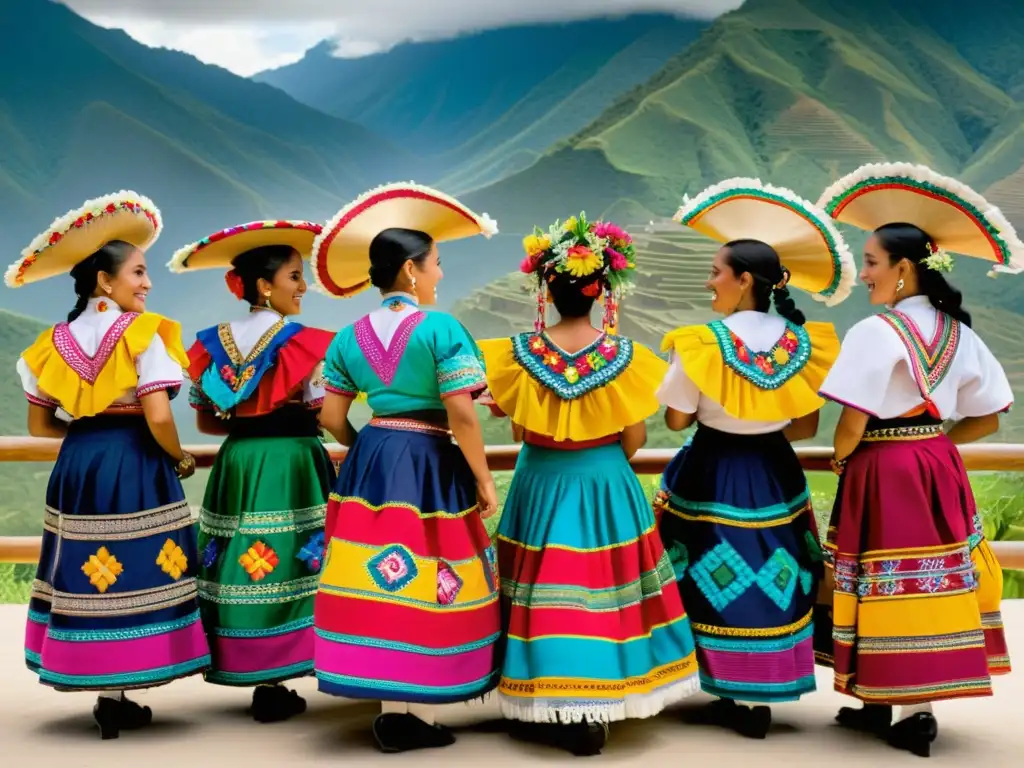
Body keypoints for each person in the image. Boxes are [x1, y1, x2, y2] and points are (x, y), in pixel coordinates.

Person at [815, 162, 1019, 758]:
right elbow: (989, 415)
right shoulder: (960, 333)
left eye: (872, 263)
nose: (866, 276)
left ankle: (911, 708)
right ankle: (889, 701)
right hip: (934, 463)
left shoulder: (875, 332)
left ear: (904, 268)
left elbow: (852, 419)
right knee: (931, 576)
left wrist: (843, 457)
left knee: (887, 579)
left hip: (883, 467)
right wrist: (937, 446)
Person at [478, 214, 700, 757]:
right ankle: (604, 698)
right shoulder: (627, 359)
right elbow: (634, 436)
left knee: (543, 583)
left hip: (541, 480)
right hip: (606, 482)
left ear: (546, 291)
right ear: (602, 293)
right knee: (606, 588)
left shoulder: (516, 358)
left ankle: (545, 693)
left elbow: (521, 428)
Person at [654, 179, 855, 739]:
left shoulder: (701, 343)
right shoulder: (804, 345)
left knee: (704, 569)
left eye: (716, 271)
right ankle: (760, 685)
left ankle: (718, 680)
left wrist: (714, 406)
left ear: (744, 280)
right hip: (774, 472)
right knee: (776, 570)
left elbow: (674, 422)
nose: (708, 281)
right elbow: (809, 425)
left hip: (712, 472)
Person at [5, 191, 210, 739]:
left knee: (86, 568)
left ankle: (104, 690)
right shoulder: (146, 335)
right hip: (136, 458)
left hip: (79, 462)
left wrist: (87, 435)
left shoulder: (52, 343)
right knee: (136, 563)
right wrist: (179, 455)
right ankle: (127, 680)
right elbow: (160, 416)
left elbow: (39, 427)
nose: (146, 283)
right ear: (105, 281)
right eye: (139, 273)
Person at [309, 183, 502, 753]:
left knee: (380, 571)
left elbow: (331, 416)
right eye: (437, 264)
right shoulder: (443, 329)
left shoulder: (347, 337)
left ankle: (393, 705)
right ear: (413, 272)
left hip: (373, 460)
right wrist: (484, 477)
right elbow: (463, 414)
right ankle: (413, 701)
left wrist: (367, 443)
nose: (441, 273)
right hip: (429, 462)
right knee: (431, 569)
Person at [166, 220, 336, 722]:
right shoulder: (303, 344)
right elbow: (325, 411)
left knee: (241, 554)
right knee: (292, 554)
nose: (303, 286)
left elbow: (202, 415)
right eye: (294, 276)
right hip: (292, 460)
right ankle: (287, 668)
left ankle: (256, 669)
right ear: (265, 285)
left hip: (238, 460)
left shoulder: (210, 345)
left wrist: (249, 428)